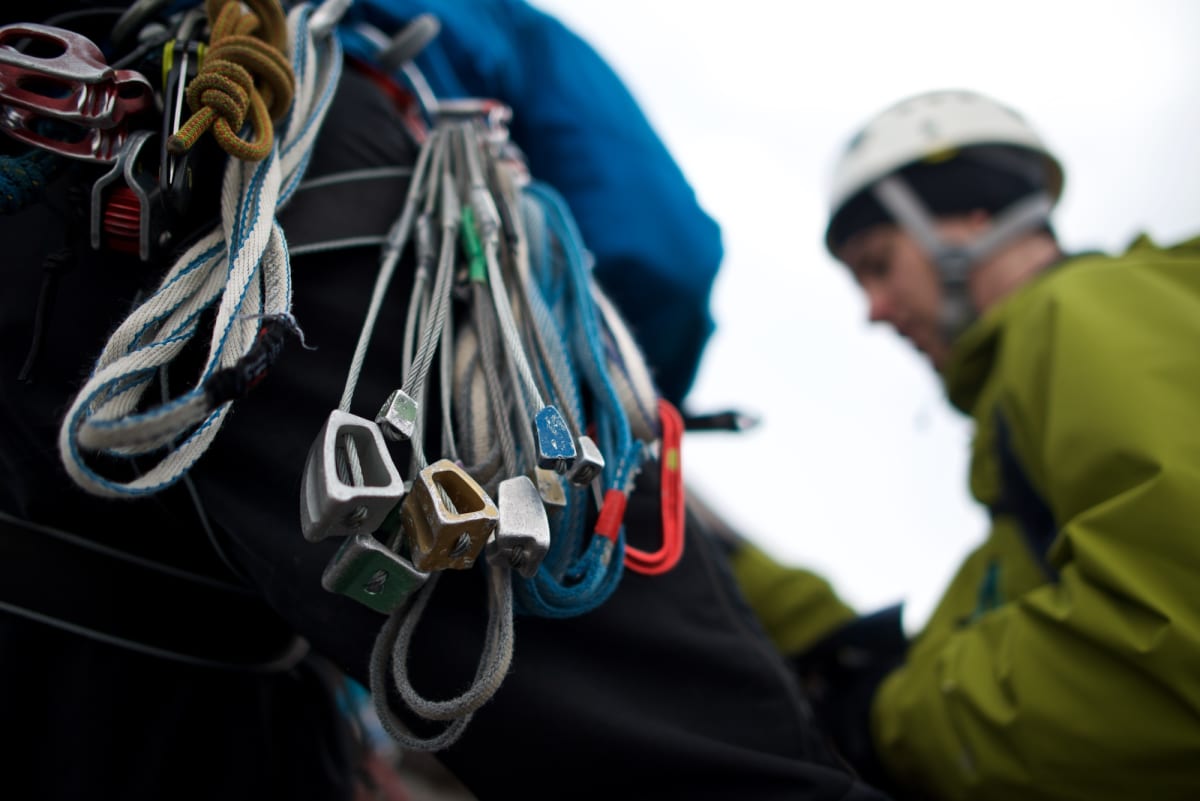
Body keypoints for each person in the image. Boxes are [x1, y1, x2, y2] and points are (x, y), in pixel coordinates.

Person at [0, 1, 889, 799]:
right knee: (695, 742)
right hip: (304, 181)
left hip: (44, 198)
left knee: (115, 652)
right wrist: (594, 387)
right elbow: (659, 245)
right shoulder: (480, 20)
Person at [729, 88, 1200, 800]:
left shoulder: (1076, 311)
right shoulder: (1028, 397)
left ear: (973, 215)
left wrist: (888, 721)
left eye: (879, 263)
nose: (875, 311)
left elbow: (1172, 643)